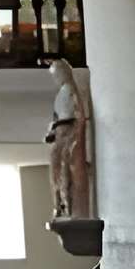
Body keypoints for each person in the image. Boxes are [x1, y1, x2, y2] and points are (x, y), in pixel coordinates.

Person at [46, 56, 91, 219]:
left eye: (57, 74)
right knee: (55, 170)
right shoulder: (62, 92)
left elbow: (79, 115)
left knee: (63, 169)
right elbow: (57, 117)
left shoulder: (71, 90)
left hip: (67, 133)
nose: (56, 79)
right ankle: (58, 204)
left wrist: (75, 133)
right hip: (59, 133)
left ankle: (66, 203)